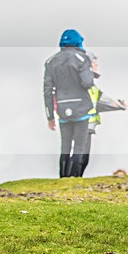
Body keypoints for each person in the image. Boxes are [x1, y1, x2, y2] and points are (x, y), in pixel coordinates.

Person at [43, 29, 95, 178]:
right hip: (81, 108)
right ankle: (74, 176)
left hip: (62, 107)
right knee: (79, 145)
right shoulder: (82, 58)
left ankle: (63, 176)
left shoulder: (50, 62)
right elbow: (87, 82)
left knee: (65, 146)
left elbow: (47, 90)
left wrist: (50, 116)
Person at [78, 54, 127, 177]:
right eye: (94, 63)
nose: (97, 65)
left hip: (88, 126)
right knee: (79, 156)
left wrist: (119, 105)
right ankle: (71, 178)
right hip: (81, 124)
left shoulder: (93, 88)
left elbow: (102, 101)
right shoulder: (81, 85)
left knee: (84, 158)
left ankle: (74, 178)